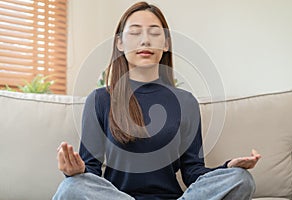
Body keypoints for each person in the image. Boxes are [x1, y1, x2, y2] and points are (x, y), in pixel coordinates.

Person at [53, 2, 261, 200]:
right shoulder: (99, 99)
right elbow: (90, 172)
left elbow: (192, 171)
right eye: (135, 33)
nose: (145, 41)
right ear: (120, 43)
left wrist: (227, 168)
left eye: (154, 33)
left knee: (241, 179)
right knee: (71, 187)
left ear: (166, 43)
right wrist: (76, 171)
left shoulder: (186, 102)